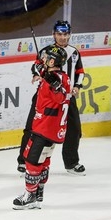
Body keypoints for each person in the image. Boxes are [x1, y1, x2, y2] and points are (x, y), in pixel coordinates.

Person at [16, 20, 86, 176]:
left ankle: (71, 163)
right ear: (54, 34)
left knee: (74, 130)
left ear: (69, 35)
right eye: (59, 34)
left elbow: (80, 72)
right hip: (45, 96)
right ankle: (23, 161)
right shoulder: (46, 51)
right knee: (32, 127)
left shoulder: (74, 53)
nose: (63, 37)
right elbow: (35, 66)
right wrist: (38, 73)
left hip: (67, 97)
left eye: (66, 34)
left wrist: (77, 86)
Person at [13, 46, 71, 210]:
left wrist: (55, 86)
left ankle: (29, 195)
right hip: (51, 128)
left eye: (46, 58)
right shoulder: (58, 75)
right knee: (43, 160)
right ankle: (39, 193)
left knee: (32, 160)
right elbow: (37, 67)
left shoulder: (57, 79)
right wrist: (42, 72)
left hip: (45, 126)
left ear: (52, 61)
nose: (43, 60)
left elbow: (60, 98)